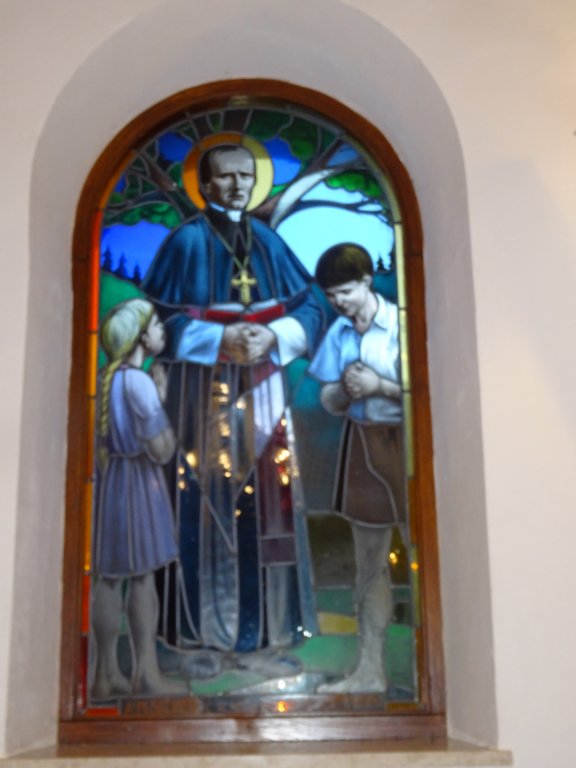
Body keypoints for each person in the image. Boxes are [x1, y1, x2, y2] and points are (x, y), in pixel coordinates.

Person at [141, 141, 323, 664]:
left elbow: (311, 306)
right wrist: (219, 339)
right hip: (199, 395)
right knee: (199, 505)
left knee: (268, 507)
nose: (238, 185)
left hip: (264, 388)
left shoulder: (268, 239)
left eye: (246, 176)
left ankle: (267, 635)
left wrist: (276, 335)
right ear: (205, 185)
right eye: (226, 176)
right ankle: (196, 635)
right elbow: (154, 322)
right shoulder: (185, 241)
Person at [308, 243, 406, 694]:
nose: (339, 302)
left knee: (421, 545)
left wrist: (379, 385)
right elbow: (328, 399)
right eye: (331, 296)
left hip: (406, 444)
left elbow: (423, 389)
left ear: (367, 281)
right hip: (361, 443)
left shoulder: (400, 324)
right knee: (369, 563)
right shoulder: (340, 333)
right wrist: (346, 392)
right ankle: (370, 671)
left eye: (345, 291)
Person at [91, 298, 187, 700]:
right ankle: (146, 675)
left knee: (109, 579)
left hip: (109, 484)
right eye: (157, 326)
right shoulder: (140, 382)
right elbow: (162, 449)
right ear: (142, 337)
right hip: (139, 485)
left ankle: (104, 674)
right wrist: (160, 401)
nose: (163, 331)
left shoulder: (104, 378)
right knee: (143, 580)